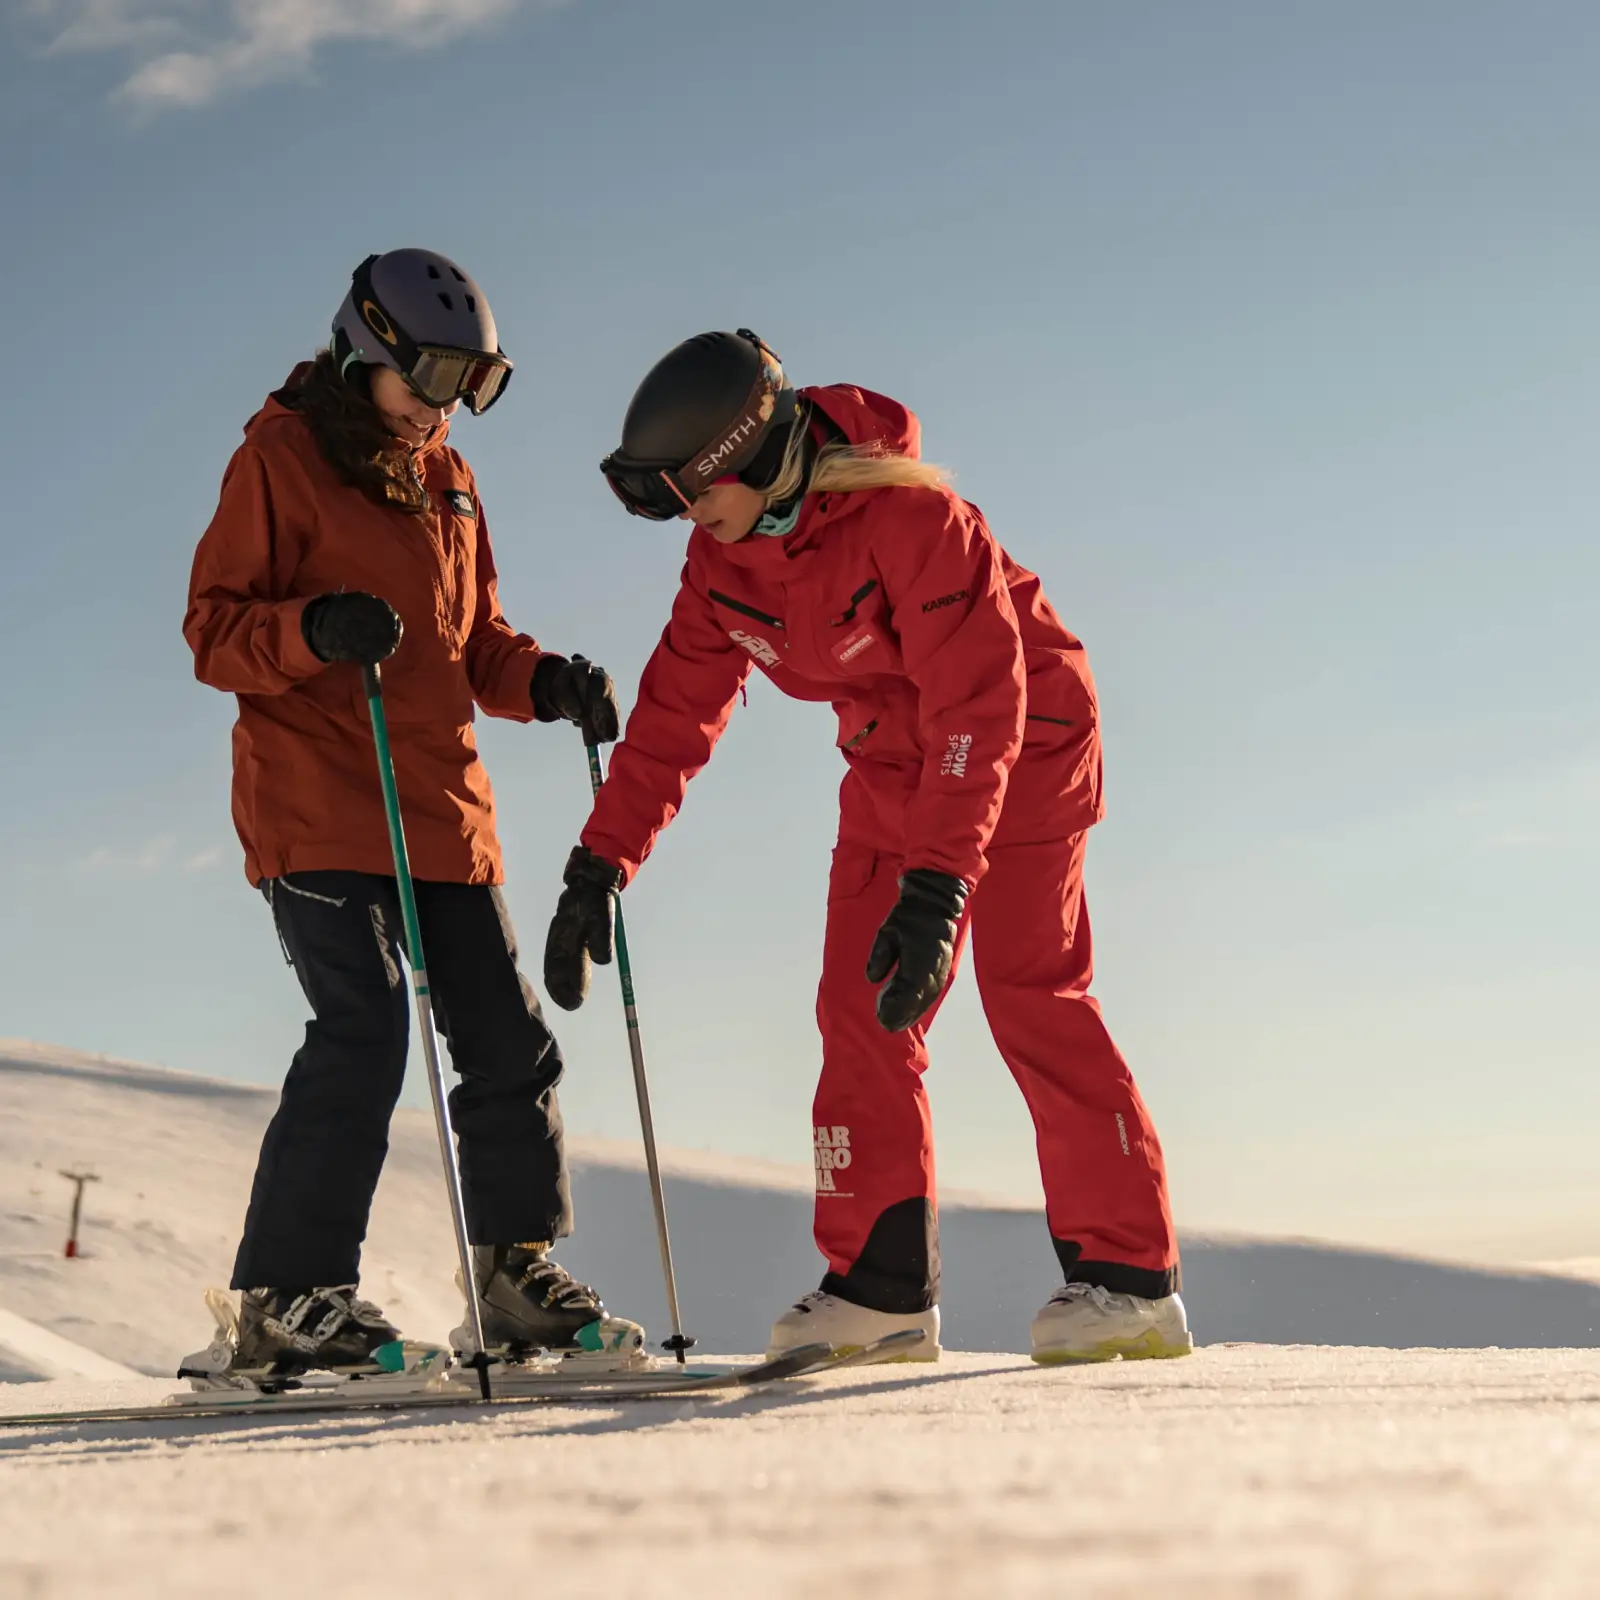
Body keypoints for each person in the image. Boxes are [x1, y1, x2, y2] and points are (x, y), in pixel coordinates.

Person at [544, 329, 1191, 1365]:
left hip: (1022, 743)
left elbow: (980, 700)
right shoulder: (722, 564)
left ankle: (1130, 1282)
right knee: (858, 1004)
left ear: (746, 458)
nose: (681, 519)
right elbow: (674, 714)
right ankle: (880, 1292)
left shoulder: (914, 519)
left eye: (687, 491)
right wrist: (600, 863)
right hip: (892, 759)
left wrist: (938, 886)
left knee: (1029, 991)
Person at [183, 248, 641, 1375]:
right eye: (430, 375)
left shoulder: (450, 479)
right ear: (364, 348)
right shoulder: (280, 457)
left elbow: (474, 643)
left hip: (442, 810)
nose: (443, 404)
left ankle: (510, 1277)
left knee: (508, 1044)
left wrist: (545, 684)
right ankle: (286, 1298)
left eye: (470, 383)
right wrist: (312, 629)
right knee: (364, 1031)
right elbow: (214, 629)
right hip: (320, 802)